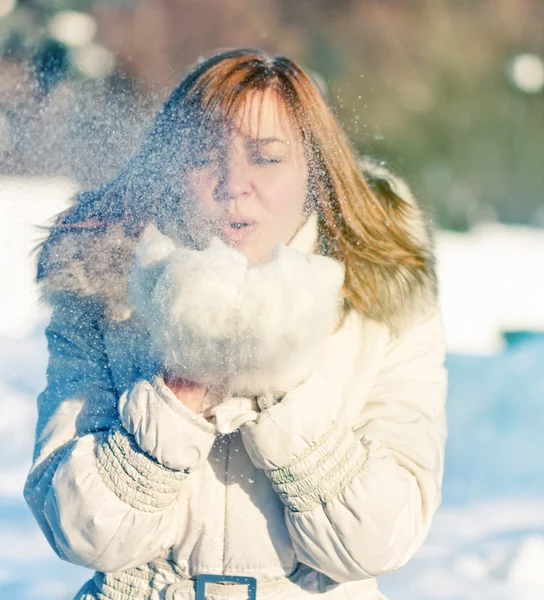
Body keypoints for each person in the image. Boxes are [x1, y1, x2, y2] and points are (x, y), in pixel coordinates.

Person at [23, 48, 448, 600]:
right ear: (172, 169)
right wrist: (181, 387)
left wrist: (280, 377)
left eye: (267, 157)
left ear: (314, 172)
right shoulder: (106, 295)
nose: (233, 182)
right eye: (204, 157)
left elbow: (382, 539)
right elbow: (81, 531)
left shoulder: (381, 301)